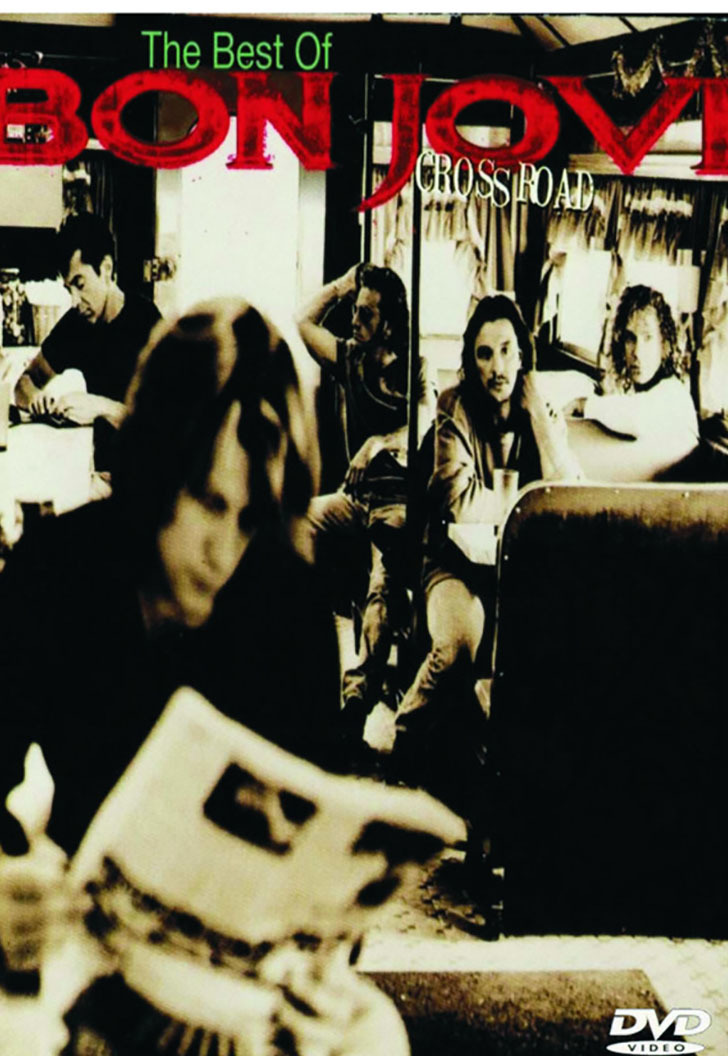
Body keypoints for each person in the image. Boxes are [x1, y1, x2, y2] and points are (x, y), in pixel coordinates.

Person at [0, 298, 340, 859]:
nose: (223, 552)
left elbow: (319, 834)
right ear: (152, 469)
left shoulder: (289, 605)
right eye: (209, 502)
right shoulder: (57, 571)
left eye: (250, 520)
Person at [393, 294, 581, 751]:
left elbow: (567, 498)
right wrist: (526, 506)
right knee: (459, 642)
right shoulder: (453, 406)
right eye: (484, 354)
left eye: (506, 351)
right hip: (452, 566)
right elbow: (457, 503)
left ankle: (508, 756)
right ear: (471, 361)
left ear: (522, 357)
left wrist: (539, 418)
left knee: (562, 641)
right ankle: (404, 740)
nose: (497, 367)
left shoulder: (542, 414)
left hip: (520, 569)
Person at [297, 263, 435, 740]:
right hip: (354, 500)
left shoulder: (416, 366)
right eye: (355, 311)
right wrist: (343, 285)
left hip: (398, 503)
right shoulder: (350, 357)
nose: (354, 322)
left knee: (382, 582)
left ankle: (357, 697)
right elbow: (302, 322)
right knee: (292, 525)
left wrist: (377, 443)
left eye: (365, 314)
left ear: (390, 324)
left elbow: (423, 425)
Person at [14, 213, 161, 468]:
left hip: (147, 476)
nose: (74, 300)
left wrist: (102, 407)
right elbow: (24, 383)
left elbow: (168, 424)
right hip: (98, 472)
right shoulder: (76, 324)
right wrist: (36, 398)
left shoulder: (148, 322)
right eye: (68, 288)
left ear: (106, 269)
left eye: (80, 284)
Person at [568, 284, 699, 472]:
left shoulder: (675, 396)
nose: (637, 352)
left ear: (665, 346)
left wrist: (584, 405)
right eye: (630, 338)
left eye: (648, 338)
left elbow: (639, 418)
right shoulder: (637, 395)